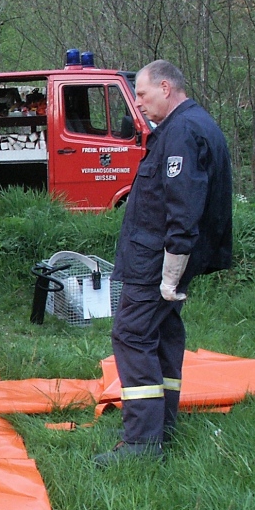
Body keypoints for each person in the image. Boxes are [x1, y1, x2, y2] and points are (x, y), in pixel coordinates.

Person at [94, 60, 233, 466]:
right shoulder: (191, 125)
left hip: (154, 260)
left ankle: (140, 444)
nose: (138, 104)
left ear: (167, 87)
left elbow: (183, 207)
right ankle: (161, 425)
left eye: (142, 94)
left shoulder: (182, 132)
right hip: (163, 255)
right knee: (165, 335)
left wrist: (171, 271)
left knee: (132, 336)